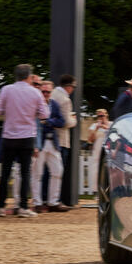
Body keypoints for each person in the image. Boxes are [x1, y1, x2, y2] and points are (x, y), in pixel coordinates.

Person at [0, 64, 49, 218]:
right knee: (25, 173)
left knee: (5, 173)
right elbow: (45, 114)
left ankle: (0, 206)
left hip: (9, 136)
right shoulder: (35, 93)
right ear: (29, 77)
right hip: (27, 136)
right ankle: (23, 206)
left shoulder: (6, 90)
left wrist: (8, 110)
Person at [32, 80, 67, 212]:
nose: (46, 93)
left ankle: (53, 201)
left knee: (57, 170)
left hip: (52, 142)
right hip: (40, 142)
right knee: (37, 173)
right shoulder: (35, 104)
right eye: (43, 91)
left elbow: (61, 121)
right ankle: (37, 202)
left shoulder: (54, 104)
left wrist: (48, 121)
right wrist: (48, 123)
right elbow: (35, 123)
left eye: (48, 92)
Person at [51, 74, 78, 208]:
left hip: (49, 137)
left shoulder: (52, 93)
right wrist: (74, 120)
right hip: (61, 139)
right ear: (68, 86)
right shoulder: (65, 100)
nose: (73, 89)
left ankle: (47, 199)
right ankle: (57, 200)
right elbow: (66, 122)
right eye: (73, 87)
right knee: (58, 172)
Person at [87, 108, 110, 191]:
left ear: (106, 115)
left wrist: (106, 127)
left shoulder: (111, 124)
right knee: (96, 170)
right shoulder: (94, 126)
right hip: (97, 151)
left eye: (102, 115)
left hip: (109, 150)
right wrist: (96, 129)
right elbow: (90, 140)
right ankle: (96, 191)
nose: (101, 117)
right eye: (99, 116)